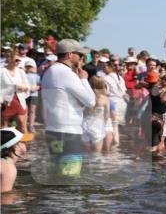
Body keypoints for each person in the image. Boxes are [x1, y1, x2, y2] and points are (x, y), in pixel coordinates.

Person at [40, 40, 96, 178]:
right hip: (69, 133)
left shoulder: (49, 71)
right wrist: (83, 79)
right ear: (70, 54)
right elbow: (91, 101)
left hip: (52, 130)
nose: (82, 58)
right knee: (70, 177)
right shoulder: (67, 74)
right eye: (80, 55)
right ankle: (67, 200)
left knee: (56, 174)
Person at [2, 49, 31, 134]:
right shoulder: (1, 71)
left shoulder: (21, 71)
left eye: (19, 60)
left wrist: (20, 87)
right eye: (16, 59)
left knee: (22, 123)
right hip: (5, 101)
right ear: (9, 59)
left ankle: (26, 144)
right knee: (4, 124)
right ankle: (6, 145)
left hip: (19, 100)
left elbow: (28, 86)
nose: (18, 62)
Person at [82, 76, 112, 154]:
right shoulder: (105, 99)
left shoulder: (85, 97)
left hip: (84, 125)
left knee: (86, 154)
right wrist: (104, 125)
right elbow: (106, 115)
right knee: (97, 154)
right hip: (97, 126)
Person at [1, 127, 26, 193]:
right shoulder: (8, 167)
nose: (25, 143)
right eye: (22, 141)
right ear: (15, 146)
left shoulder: (4, 162)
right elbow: (4, 196)